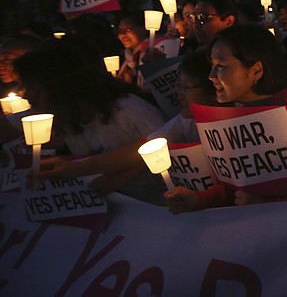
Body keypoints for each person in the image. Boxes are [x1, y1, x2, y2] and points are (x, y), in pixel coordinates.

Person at [163, 25, 287, 213]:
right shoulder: (228, 116)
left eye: (222, 66)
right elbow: (235, 187)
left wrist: (266, 204)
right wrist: (197, 199)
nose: (211, 76)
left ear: (256, 70)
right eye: (212, 66)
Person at [30, 49, 216, 202]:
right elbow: (146, 145)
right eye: (178, 86)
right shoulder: (184, 122)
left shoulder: (129, 111)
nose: (179, 94)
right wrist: (73, 167)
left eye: (187, 86)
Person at [15, 40, 166, 203]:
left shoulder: (128, 111)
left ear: (60, 86)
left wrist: (124, 174)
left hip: (160, 207)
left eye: (33, 87)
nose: (26, 96)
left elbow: (167, 142)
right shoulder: (67, 119)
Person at [115, 13, 150, 86]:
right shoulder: (127, 58)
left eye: (128, 30)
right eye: (119, 31)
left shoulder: (152, 53)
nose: (122, 35)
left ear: (144, 29)